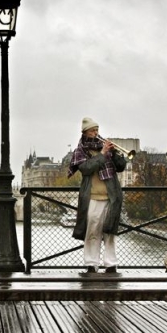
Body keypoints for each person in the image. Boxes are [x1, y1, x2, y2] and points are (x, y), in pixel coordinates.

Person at [67, 117, 127, 274]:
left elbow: (121, 167)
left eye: (97, 130)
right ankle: (91, 263)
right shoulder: (80, 151)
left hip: (111, 197)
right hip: (92, 197)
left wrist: (114, 154)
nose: (96, 133)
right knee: (92, 232)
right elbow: (86, 168)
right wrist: (102, 154)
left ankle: (111, 264)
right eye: (93, 130)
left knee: (110, 232)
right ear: (85, 132)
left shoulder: (106, 149)